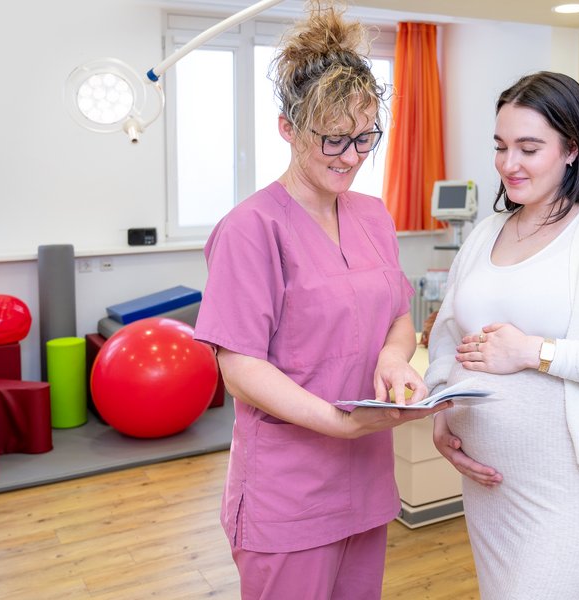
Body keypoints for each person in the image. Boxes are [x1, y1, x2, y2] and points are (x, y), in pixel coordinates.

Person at [193, 3, 449, 598]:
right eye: (333, 138)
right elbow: (239, 366)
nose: (352, 156)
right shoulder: (250, 229)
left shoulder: (373, 215)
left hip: (365, 478)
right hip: (290, 491)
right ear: (288, 127)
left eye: (365, 137)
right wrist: (339, 422)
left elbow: (396, 319)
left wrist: (392, 359)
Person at [424, 71, 579, 599]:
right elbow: (447, 335)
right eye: (500, 147)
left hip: (566, 486)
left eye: (528, 148)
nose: (508, 164)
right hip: (487, 483)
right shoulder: (485, 234)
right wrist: (440, 406)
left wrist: (533, 352)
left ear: (571, 148)